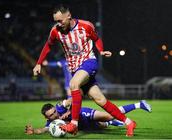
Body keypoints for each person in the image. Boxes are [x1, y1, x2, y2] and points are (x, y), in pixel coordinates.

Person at [33, 4, 136, 136]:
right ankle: (128, 122)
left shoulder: (85, 26)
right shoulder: (55, 31)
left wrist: (101, 50)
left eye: (60, 20)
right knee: (100, 101)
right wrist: (38, 63)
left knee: (73, 84)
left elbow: (96, 39)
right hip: (75, 69)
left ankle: (73, 124)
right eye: (56, 21)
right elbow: (48, 45)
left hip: (89, 62)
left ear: (68, 16)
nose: (58, 24)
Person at [25, 100, 151, 135]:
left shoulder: (60, 106)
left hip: (83, 113)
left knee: (110, 114)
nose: (55, 115)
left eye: (54, 112)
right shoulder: (52, 123)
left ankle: (139, 104)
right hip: (83, 126)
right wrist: (34, 131)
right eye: (51, 115)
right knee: (102, 127)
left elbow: (72, 99)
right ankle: (111, 123)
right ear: (47, 118)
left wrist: (69, 111)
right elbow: (43, 130)